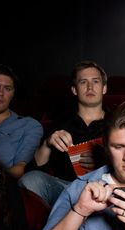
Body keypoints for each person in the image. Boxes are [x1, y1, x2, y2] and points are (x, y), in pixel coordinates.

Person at [19, 60, 108, 206]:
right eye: (83, 82)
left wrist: (104, 161)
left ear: (104, 88)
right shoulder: (59, 123)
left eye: (96, 81)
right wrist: (47, 144)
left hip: (105, 188)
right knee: (30, 179)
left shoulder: (117, 123)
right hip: (65, 188)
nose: (90, 87)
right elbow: (33, 171)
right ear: (74, 90)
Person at [0, 63, 43, 179]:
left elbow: (19, 170)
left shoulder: (28, 126)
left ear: (13, 93)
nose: (0, 93)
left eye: (7, 88)